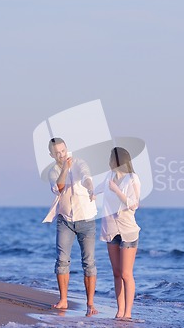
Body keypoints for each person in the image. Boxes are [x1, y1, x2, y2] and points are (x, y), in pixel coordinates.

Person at [47, 137, 98, 316]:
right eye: (57, 152)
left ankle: (90, 303)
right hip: (65, 220)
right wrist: (65, 168)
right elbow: (59, 187)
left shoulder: (79, 163)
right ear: (51, 154)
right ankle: (63, 300)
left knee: (89, 263)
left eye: (63, 150)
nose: (61, 155)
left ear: (67, 149)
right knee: (62, 260)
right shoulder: (53, 171)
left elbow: (86, 177)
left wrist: (91, 188)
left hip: (86, 219)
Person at [95, 147, 141, 320]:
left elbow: (134, 204)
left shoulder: (132, 179)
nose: (109, 162)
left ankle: (127, 313)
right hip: (111, 229)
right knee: (116, 272)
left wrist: (117, 190)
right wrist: (90, 191)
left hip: (128, 230)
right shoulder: (109, 176)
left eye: (111, 159)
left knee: (126, 274)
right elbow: (99, 188)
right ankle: (119, 311)